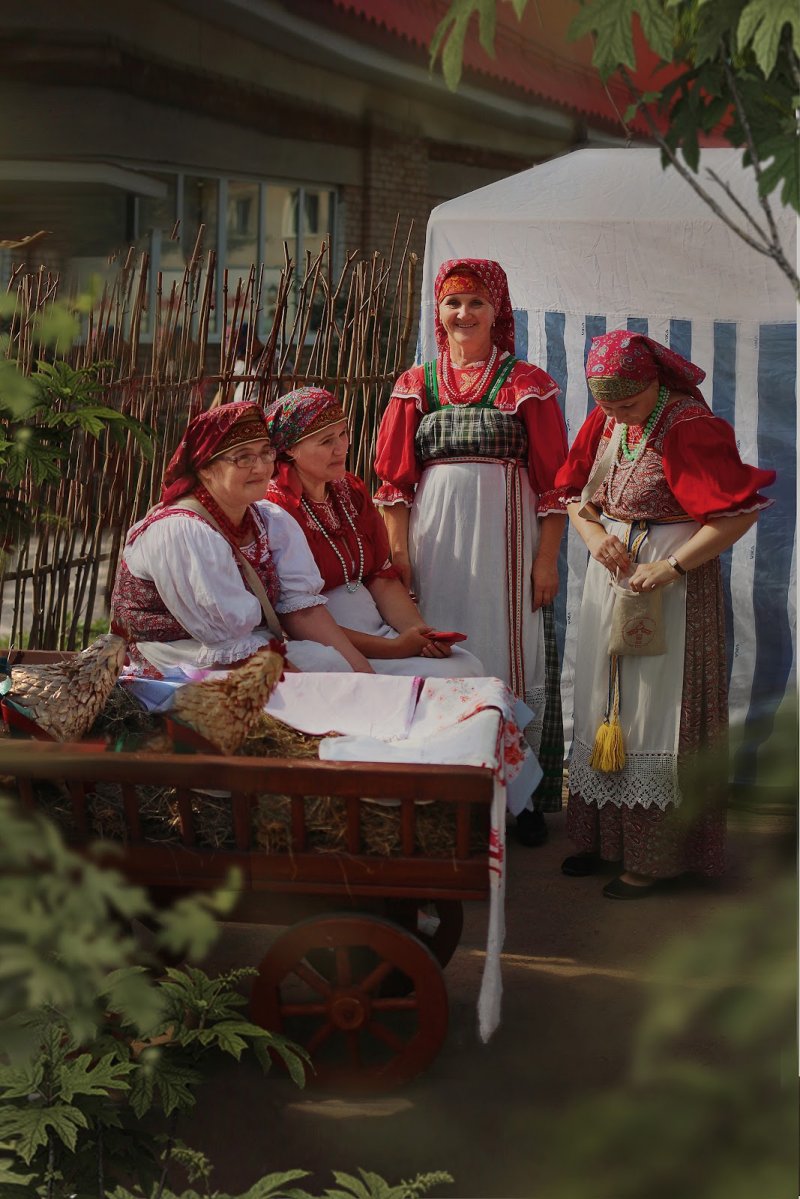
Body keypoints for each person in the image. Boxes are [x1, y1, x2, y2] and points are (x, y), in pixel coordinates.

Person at [555, 331, 776, 898]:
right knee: (603, 700)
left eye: (628, 404)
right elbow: (575, 496)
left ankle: (654, 857)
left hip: (671, 585)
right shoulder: (608, 419)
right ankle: (603, 839)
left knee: (655, 708)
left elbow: (739, 514)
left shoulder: (689, 428)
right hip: (613, 577)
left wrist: (672, 567)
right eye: (607, 405)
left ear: (655, 383)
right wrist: (594, 535)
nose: (616, 415)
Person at [374, 258, 569, 844]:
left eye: (476, 302)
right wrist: (400, 556)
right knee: (440, 642)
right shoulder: (416, 384)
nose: (464, 313)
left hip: (507, 545)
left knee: (511, 647)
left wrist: (545, 560)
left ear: (497, 310)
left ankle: (520, 798)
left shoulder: (527, 382)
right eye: (453, 302)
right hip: (436, 543)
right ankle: (447, 789)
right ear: (438, 311)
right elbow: (394, 482)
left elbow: (556, 483)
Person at [111, 400, 373, 678]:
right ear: (205, 467)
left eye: (265, 453)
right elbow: (229, 645)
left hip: (249, 649)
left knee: (330, 664)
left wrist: (364, 675)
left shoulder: (268, 520)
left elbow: (303, 613)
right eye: (243, 458)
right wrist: (306, 692)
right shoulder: (181, 531)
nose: (260, 468)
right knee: (318, 683)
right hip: (180, 659)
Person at [266, 386, 485, 678]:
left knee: (466, 665)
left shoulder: (349, 491)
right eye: (326, 441)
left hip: (379, 632)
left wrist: (418, 634)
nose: (341, 448)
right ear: (290, 449)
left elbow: (380, 577)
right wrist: (393, 648)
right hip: (327, 644)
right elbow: (299, 618)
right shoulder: (276, 509)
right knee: (451, 677)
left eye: (343, 434)